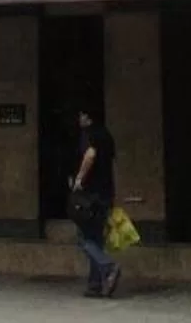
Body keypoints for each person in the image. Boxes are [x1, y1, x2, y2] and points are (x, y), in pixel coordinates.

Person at [69, 108, 120, 299]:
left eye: (81, 115)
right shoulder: (107, 135)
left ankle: (109, 267)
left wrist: (79, 180)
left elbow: (90, 155)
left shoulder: (89, 135)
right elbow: (114, 164)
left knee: (83, 238)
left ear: (88, 117)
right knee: (96, 239)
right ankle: (95, 285)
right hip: (106, 193)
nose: (79, 118)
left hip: (90, 195)